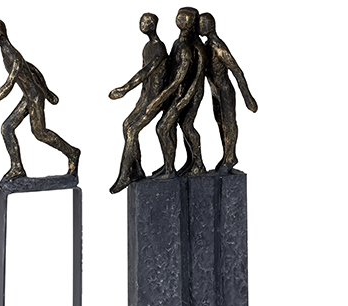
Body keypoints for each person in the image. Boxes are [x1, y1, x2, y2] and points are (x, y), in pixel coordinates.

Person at [0, 20, 80, 182]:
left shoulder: (13, 56)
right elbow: (31, 68)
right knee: (7, 128)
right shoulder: (8, 52)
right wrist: (47, 91)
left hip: (34, 97)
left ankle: (72, 153)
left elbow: (8, 86)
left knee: (40, 133)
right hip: (28, 97)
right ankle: (17, 168)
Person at [109, 13, 168, 194]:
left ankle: (125, 174)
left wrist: (125, 89)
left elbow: (146, 71)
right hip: (146, 97)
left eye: (147, 21)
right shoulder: (147, 47)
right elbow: (145, 78)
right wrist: (140, 99)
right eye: (142, 21)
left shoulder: (159, 47)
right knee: (126, 125)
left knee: (132, 130)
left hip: (157, 98)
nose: (143, 24)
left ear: (154, 24)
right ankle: (137, 169)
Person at [147, 7, 206, 179]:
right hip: (177, 93)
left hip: (185, 94)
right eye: (181, 16)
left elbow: (190, 78)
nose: (181, 19)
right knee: (173, 126)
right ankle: (170, 165)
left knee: (167, 127)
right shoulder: (178, 43)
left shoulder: (191, 47)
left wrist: (164, 99)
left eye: (187, 18)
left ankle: (196, 164)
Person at [199, 13, 257, 172]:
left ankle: (231, 157)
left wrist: (248, 97)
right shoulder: (206, 46)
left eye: (201, 24)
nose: (198, 27)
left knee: (229, 123)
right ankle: (227, 155)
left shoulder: (219, 47)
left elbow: (237, 71)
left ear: (208, 26)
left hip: (224, 89)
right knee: (220, 122)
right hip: (214, 90)